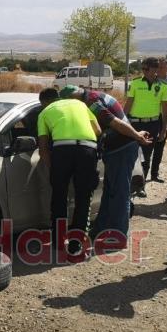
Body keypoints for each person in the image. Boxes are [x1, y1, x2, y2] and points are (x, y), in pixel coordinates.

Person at [59, 86, 151, 240]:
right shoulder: (93, 96)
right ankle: (101, 229)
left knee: (120, 193)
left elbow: (114, 122)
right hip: (116, 148)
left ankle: (119, 235)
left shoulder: (91, 102)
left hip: (121, 148)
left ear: (74, 97)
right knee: (110, 191)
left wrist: (137, 136)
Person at [37, 88, 101, 261]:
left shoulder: (44, 112)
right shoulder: (79, 104)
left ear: (44, 103)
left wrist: (53, 170)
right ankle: (76, 244)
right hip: (87, 149)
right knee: (83, 197)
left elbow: (43, 149)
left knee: (59, 195)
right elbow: (98, 130)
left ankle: (58, 240)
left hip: (62, 150)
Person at [124, 57, 167, 190]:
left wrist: (164, 130)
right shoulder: (136, 84)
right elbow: (128, 104)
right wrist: (120, 122)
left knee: (146, 156)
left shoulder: (163, 86)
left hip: (153, 124)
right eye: (142, 68)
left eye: (146, 68)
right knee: (132, 154)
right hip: (134, 124)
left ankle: (140, 187)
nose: (143, 71)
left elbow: (165, 111)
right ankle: (129, 183)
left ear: (155, 69)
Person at [148, 58, 167, 184]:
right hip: (151, 115)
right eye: (158, 67)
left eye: (162, 67)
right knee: (147, 145)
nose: (159, 70)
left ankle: (154, 174)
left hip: (166, 115)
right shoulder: (152, 81)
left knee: (160, 145)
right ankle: (141, 176)